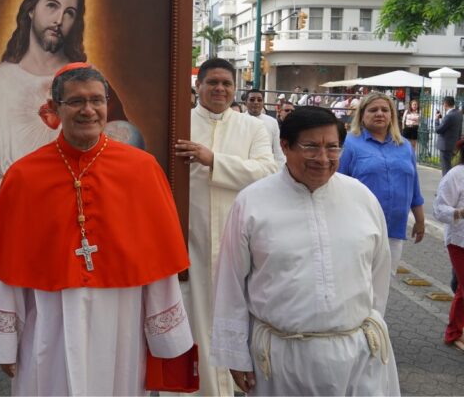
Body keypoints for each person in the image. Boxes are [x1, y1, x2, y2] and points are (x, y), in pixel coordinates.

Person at [0, 63, 193, 395]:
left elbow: (159, 261)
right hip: (47, 320)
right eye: (76, 101)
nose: (88, 110)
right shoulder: (24, 175)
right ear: (55, 109)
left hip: (122, 317)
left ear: (107, 105)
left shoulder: (142, 170)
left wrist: (164, 336)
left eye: (96, 100)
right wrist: (5, 339)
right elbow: (7, 264)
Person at [211, 106, 400, 396]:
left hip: (357, 355)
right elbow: (231, 283)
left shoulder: (361, 198)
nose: (323, 159)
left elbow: (379, 272)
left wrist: (367, 328)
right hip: (282, 359)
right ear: (285, 146)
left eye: (332, 148)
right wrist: (235, 354)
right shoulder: (252, 202)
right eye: (311, 147)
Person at [0, 0, 128, 231]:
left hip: (79, 217)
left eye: (70, 13)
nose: (59, 19)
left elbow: (121, 150)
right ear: (31, 10)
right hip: (12, 214)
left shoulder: (90, 83)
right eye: (51, 6)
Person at [173, 58, 277, 395]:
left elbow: (267, 171)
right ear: (198, 86)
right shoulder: (179, 123)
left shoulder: (252, 127)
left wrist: (213, 160)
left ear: (235, 88)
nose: (220, 89)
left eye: (226, 83)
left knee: (233, 316)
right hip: (192, 238)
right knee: (192, 319)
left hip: (237, 240)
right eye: (212, 82)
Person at [339, 92, 424, 274]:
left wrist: (420, 220)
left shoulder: (404, 146)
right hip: (359, 228)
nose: (380, 114)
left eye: (385, 110)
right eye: (373, 110)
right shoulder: (349, 143)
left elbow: (414, 185)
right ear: (362, 115)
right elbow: (336, 183)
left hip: (394, 228)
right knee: (358, 283)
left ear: (392, 115)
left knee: (383, 286)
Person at [432, 138, 464, 351]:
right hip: (459, 240)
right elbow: (438, 209)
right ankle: (453, 333)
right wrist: (460, 212)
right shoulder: (456, 175)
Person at [246, 89, 285, 167]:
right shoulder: (239, 120)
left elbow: (278, 150)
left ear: (263, 103)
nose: (256, 102)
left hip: (266, 168)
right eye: (252, 100)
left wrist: (280, 169)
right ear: (245, 102)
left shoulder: (272, 122)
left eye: (259, 100)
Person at [435, 96, 462, 176]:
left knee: (446, 168)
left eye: (443, 103)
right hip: (453, 145)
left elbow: (438, 130)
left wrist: (436, 120)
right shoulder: (458, 114)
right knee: (450, 167)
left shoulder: (449, 116)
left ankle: (447, 186)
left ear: (445, 104)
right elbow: (457, 129)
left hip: (445, 146)